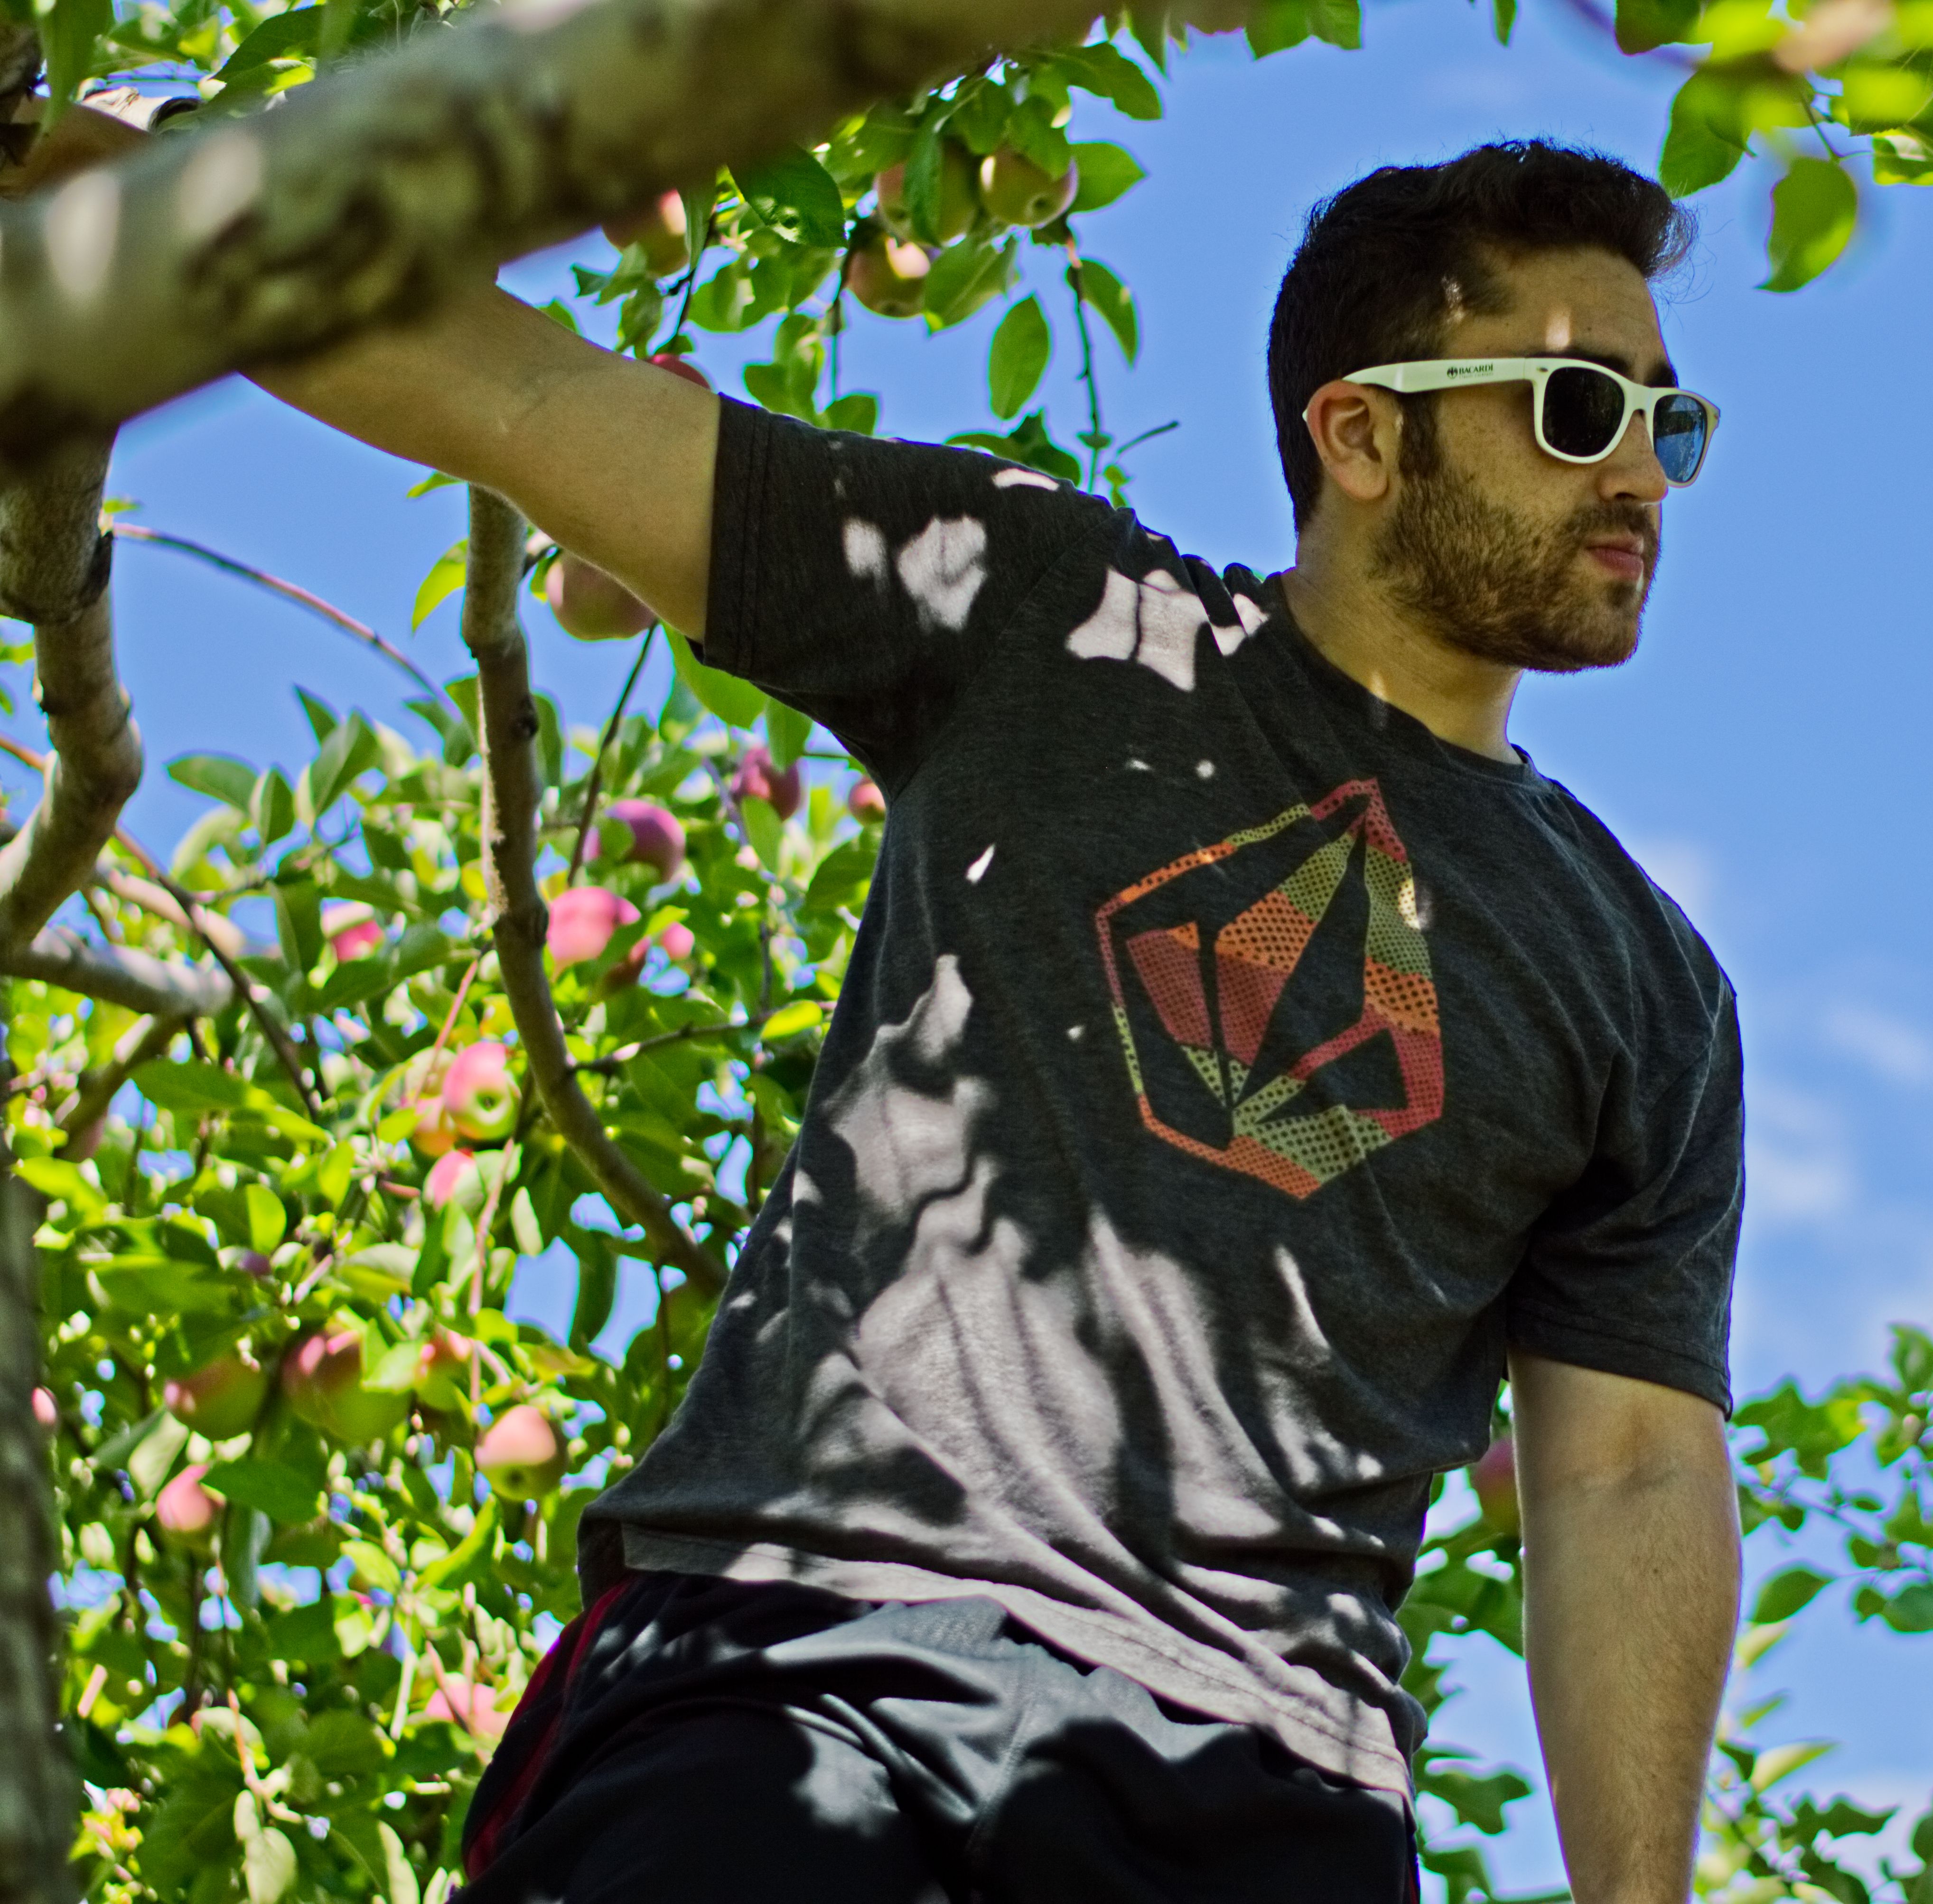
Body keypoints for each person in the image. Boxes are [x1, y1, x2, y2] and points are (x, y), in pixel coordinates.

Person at [266, 138, 1746, 1902]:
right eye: (1580, 405)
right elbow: (511, 387)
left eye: (1671, 421)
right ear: (1359, 435)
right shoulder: (1053, 614)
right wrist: (79, 195)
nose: (1641, 471)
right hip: (802, 1661)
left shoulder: (1643, 982)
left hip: (1271, 1791)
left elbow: (1626, 1478)